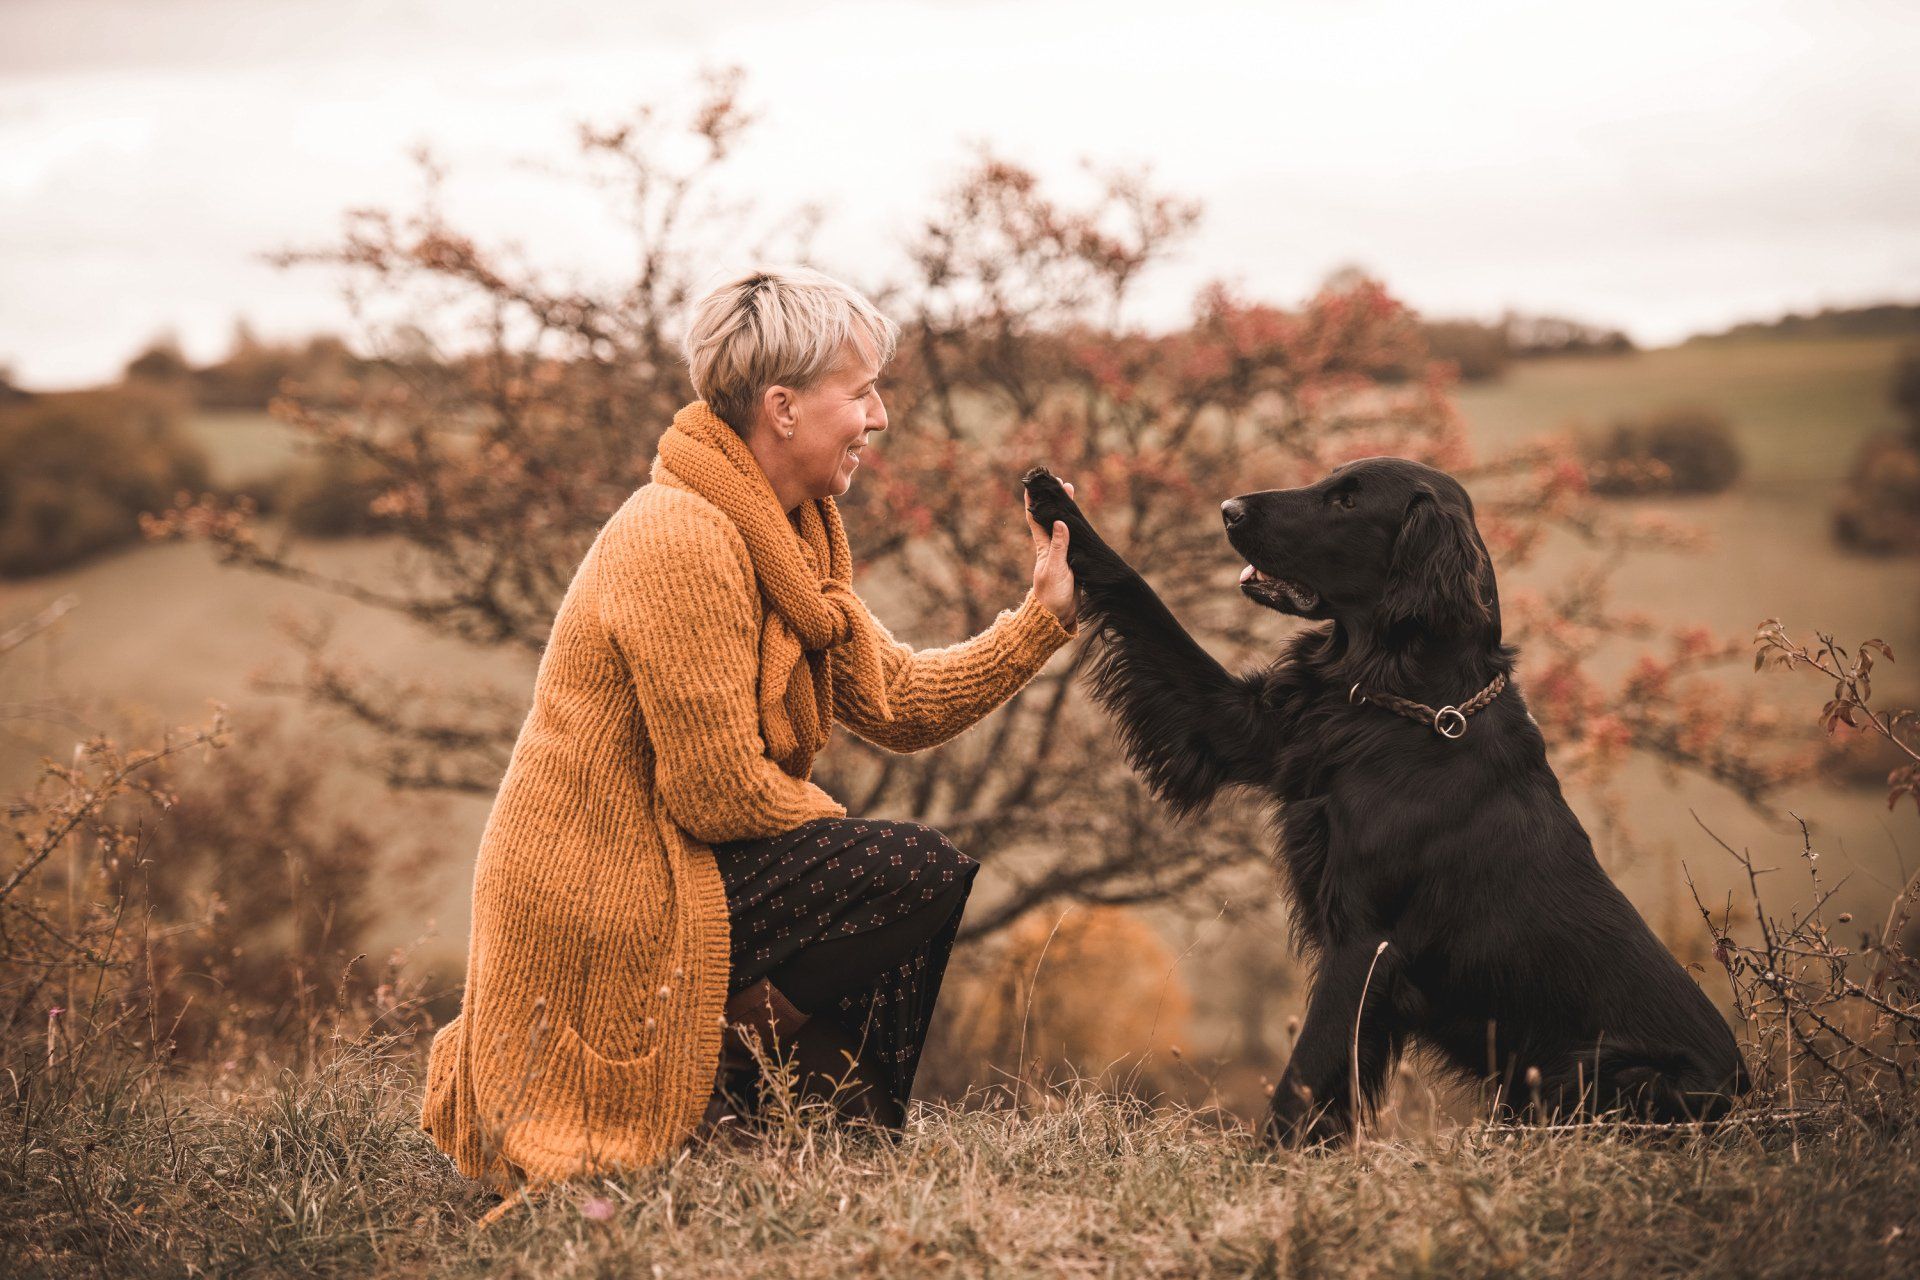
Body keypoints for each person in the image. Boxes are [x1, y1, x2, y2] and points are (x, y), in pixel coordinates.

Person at [420, 265, 1079, 1204]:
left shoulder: (791, 538)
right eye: (861, 393)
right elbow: (718, 791)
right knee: (897, 874)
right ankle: (693, 1089)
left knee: (899, 876)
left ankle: (784, 1137)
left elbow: (898, 700)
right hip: (606, 886)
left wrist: (1039, 620)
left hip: (677, 862)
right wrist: (841, 839)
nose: (879, 417)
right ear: (781, 407)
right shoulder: (682, 536)